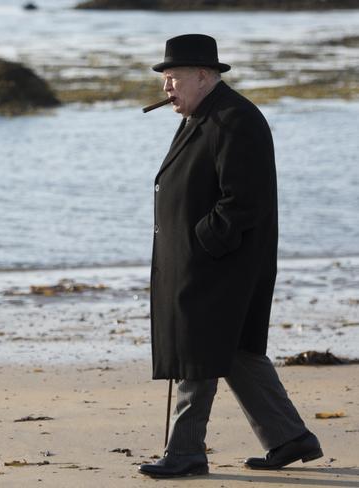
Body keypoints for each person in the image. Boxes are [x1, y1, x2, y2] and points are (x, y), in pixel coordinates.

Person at [138, 34, 323, 478]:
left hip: (221, 263)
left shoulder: (234, 119)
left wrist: (203, 243)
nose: (166, 88)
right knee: (234, 349)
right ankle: (289, 437)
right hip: (209, 260)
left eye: (173, 78)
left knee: (198, 350)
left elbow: (244, 200)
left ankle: (185, 451)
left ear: (204, 76)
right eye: (164, 79)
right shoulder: (204, 115)